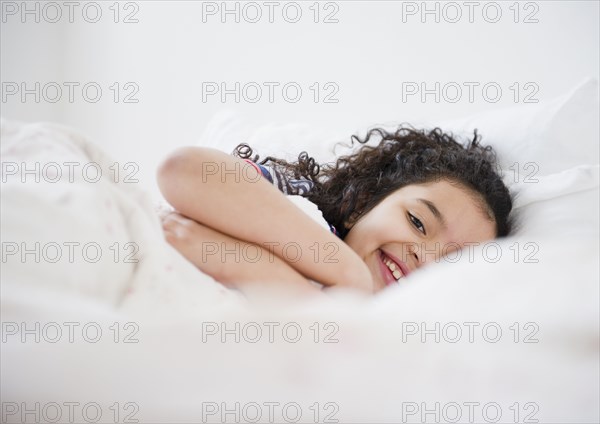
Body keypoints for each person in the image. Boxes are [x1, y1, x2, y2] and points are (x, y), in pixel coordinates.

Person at [158, 125, 513, 299]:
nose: (425, 254)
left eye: (451, 261)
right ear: (363, 202)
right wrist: (348, 273)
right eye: (417, 222)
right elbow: (181, 170)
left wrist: (248, 265)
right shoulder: (298, 204)